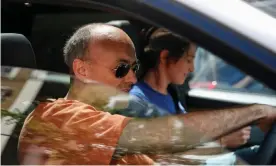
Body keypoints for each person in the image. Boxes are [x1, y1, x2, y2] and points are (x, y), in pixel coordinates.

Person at [18, 23, 276, 165]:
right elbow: (162, 135)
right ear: (82, 70)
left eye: (134, 68)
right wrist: (256, 111)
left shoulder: (111, 119)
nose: (132, 78)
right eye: (121, 69)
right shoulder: (58, 118)